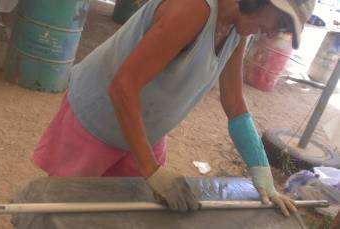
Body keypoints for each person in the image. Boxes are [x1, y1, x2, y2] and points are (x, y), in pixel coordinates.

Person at [32, 0, 315, 215]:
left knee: (126, 212)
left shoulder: (237, 31)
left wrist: (262, 173)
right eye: (279, 22)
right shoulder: (193, 9)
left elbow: (234, 104)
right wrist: (152, 171)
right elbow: (123, 87)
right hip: (97, 121)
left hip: (145, 130)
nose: (272, 33)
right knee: (64, 210)